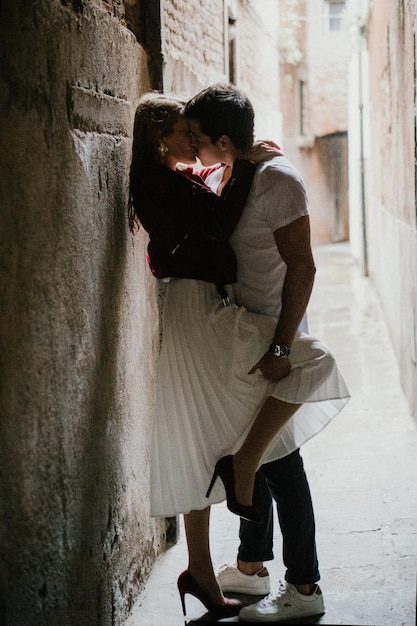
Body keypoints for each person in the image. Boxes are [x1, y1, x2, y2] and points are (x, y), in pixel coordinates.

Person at [129, 92, 349, 621]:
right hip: (223, 320)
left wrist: (278, 343)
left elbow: (302, 267)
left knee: (275, 454)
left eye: (200, 138)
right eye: (191, 136)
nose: (197, 147)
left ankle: (302, 584)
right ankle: (247, 565)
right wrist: (239, 165)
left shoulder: (273, 179)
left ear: (221, 141)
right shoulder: (216, 175)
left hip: (265, 327)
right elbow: (212, 219)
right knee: (239, 442)